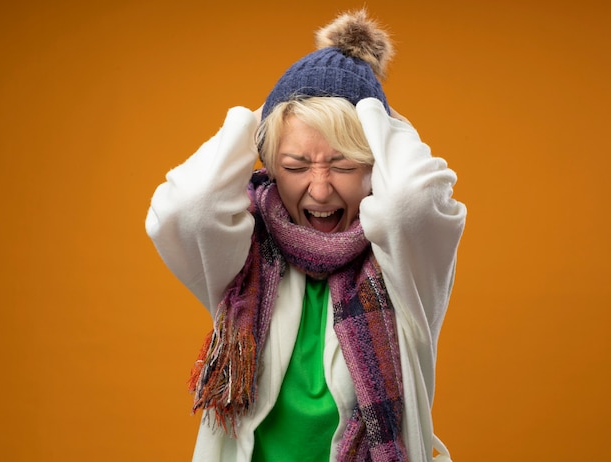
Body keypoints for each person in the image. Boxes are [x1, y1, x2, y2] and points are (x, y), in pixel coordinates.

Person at [145, 9, 466, 462]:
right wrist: (270, 113)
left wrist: (373, 108)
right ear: (269, 166)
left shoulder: (406, 265)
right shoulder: (242, 255)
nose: (318, 188)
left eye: (343, 164)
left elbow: (409, 202)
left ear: (377, 163)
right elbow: (187, 206)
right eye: (295, 166)